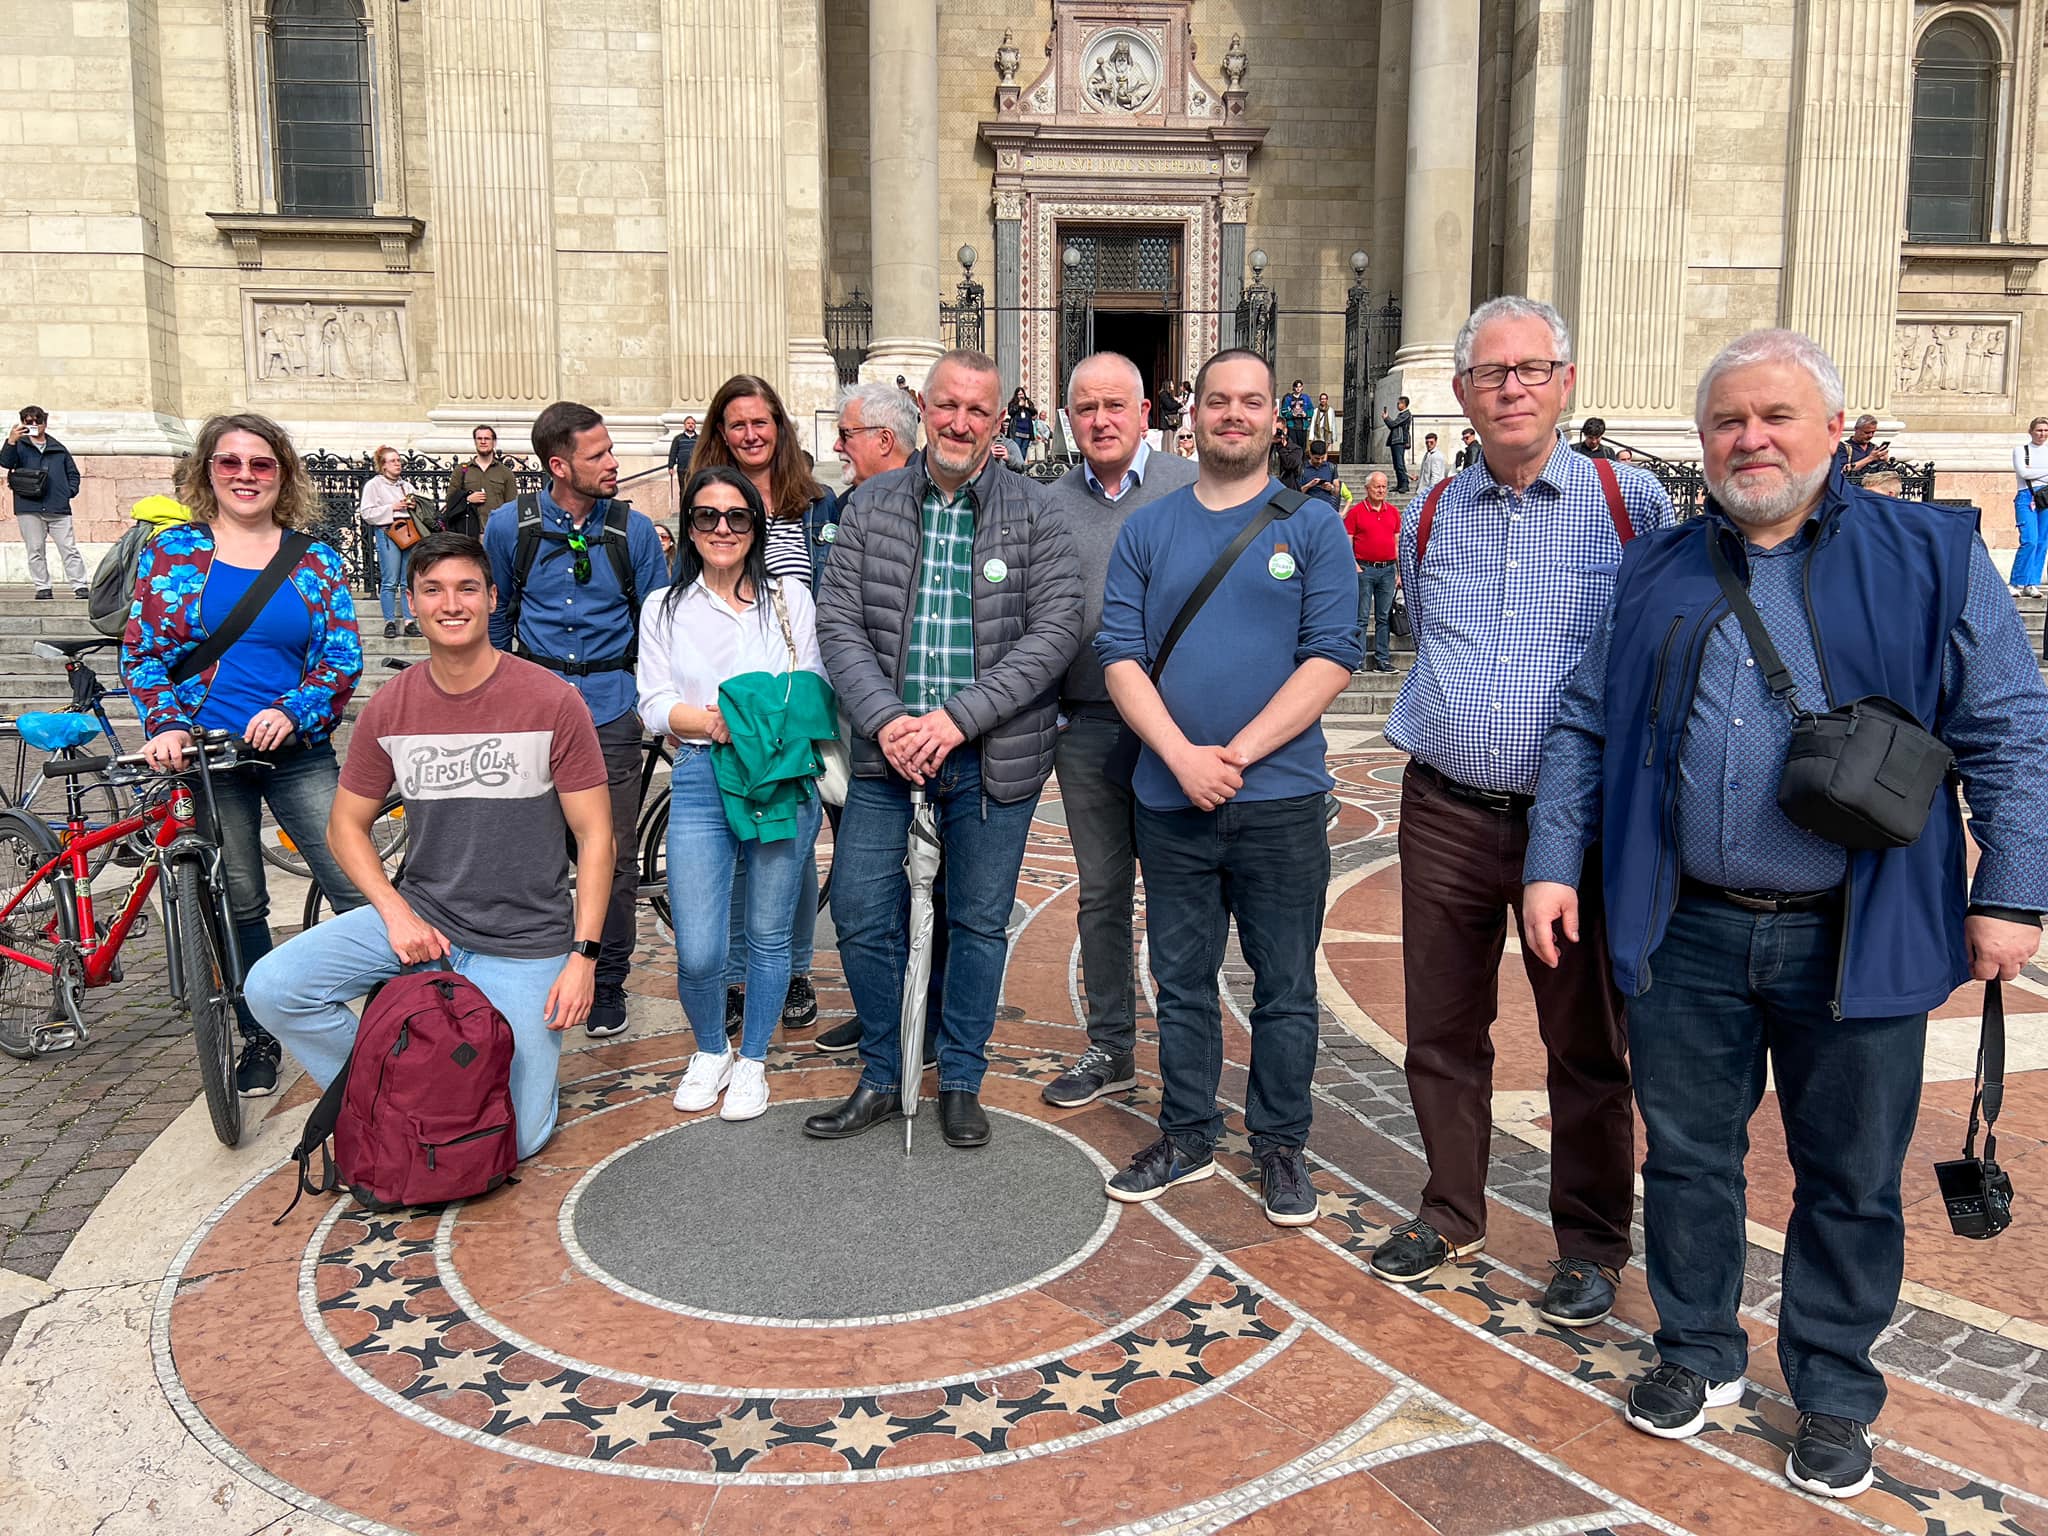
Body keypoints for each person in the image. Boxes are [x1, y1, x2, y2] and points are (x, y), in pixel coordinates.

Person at [1522, 329, 2048, 1501]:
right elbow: (1583, 719)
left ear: (1833, 432)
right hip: (1687, 926)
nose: (1748, 440)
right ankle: (1698, 1350)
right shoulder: (1654, 566)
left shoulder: (1929, 554)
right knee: (1686, 1158)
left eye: (1774, 417)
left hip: (1857, 929)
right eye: (1726, 421)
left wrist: (2011, 889)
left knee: (1848, 1176)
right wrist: (1552, 859)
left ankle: (1831, 1389)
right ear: (1700, 440)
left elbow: (2010, 724)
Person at [1373, 297, 1673, 1326]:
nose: (1511, 388)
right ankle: (1450, 1210)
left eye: (1531, 369)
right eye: (1490, 373)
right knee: (1440, 1028)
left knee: (1583, 1041)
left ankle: (1589, 1241)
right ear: (1461, 394)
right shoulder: (1427, 514)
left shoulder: (1630, 503)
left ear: (1565, 382)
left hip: (1574, 825)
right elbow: (1426, 632)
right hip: (1444, 809)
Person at [1095, 348, 1361, 1224]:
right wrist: (1181, 757)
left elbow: (1332, 656)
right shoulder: (1148, 530)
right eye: (1218, 401)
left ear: (1274, 420)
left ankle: (1280, 1145)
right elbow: (1120, 656)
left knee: (1284, 984)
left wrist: (1233, 755)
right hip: (1170, 797)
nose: (1234, 415)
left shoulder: (1314, 527)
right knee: (1181, 979)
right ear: (1193, 415)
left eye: (1251, 402)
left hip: (1281, 800)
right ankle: (1187, 1133)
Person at [245, 532, 614, 1159]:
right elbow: (344, 827)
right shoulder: (393, 705)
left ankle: (466, 1082)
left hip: (525, 940)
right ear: (412, 602)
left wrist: (583, 959)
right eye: (433, 590)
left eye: (467, 588)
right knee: (275, 987)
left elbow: (596, 835)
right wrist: (397, 915)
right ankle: (393, 1090)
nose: (451, 603)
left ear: (492, 598)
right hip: (425, 923)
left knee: (518, 1140)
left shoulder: (552, 700)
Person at [807, 349, 1081, 1148]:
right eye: (947, 406)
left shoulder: (1037, 512)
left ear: (1000, 422)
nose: (960, 423)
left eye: (978, 410)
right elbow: (838, 622)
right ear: (922, 409)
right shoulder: (871, 504)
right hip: (885, 755)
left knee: (979, 922)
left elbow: (1055, 632)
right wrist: (888, 720)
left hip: (991, 758)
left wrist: (957, 720)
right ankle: (884, 1070)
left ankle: (960, 1077)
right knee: (860, 912)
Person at [123, 412, 367, 1097]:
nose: (245, 476)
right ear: (208, 471)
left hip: (298, 752)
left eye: (261, 464)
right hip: (208, 757)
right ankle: (259, 1033)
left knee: (356, 885)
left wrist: (293, 710)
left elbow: (342, 657)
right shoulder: (175, 553)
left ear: (282, 474)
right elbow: (143, 653)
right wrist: (166, 724)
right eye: (229, 462)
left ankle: (397, 1015)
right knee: (240, 900)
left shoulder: (314, 558)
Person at [638, 468, 830, 1121]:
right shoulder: (664, 607)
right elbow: (654, 703)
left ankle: (753, 1060)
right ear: (690, 528)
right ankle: (710, 1049)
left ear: (756, 526)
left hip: (779, 776)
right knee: (699, 945)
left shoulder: (790, 598)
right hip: (701, 772)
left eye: (737, 516)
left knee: (769, 933)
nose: (722, 528)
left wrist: (746, 721)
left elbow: (812, 684)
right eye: (707, 516)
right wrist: (718, 722)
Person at [1038, 352, 1197, 1110]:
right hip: (1090, 727)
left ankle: (1189, 1054)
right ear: (1067, 418)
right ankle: (1111, 1046)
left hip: (1176, 730)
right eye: (1085, 408)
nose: (1100, 421)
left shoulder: (1191, 488)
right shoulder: (1047, 504)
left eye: (1114, 406)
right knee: (1102, 893)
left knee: (1179, 892)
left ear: (1145, 414)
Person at [485, 400, 669, 1041]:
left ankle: (608, 978)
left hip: (610, 709)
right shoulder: (510, 527)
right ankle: (539, 968)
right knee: (531, 853)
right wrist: (498, 699)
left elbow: (656, 623)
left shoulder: (633, 531)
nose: (614, 462)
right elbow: (498, 615)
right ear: (559, 466)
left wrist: (651, 700)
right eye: (599, 455)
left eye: (611, 448)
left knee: (610, 855)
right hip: (534, 713)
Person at [692, 376, 838, 1035]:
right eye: (737, 424)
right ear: (721, 434)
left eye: (761, 422)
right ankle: (734, 976)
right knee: (734, 840)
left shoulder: (817, 502)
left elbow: (831, 596)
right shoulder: (708, 498)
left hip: (792, 694)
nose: (751, 434)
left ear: (779, 426)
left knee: (790, 844)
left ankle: (795, 967)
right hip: (726, 699)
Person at [810, 380, 927, 1058]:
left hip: (921, 733)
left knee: (928, 887)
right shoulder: (842, 505)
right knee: (864, 894)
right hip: (857, 728)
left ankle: (923, 1021)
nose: (837, 446)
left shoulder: (934, 503)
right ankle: (884, 1007)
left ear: (884, 439)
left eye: (847, 434)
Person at [4, 407, 86, 599]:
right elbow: (6, 463)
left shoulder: (58, 448)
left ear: (45, 422)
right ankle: (43, 587)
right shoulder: (19, 445)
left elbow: (73, 474)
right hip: (28, 507)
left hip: (57, 506)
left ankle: (80, 586)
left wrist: (68, 492)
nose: (34, 425)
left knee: (69, 548)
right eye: (28, 421)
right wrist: (11, 441)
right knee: (35, 550)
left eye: (38, 421)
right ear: (23, 423)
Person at [358, 446, 423, 639]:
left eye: (398, 460)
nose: (397, 464)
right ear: (383, 465)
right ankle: (389, 621)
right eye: (393, 461)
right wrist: (392, 507)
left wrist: (413, 505)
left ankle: (409, 621)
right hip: (388, 532)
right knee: (389, 580)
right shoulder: (374, 485)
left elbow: (418, 508)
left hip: (408, 532)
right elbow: (366, 512)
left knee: (407, 579)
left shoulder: (406, 486)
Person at [1344, 471, 1399, 673]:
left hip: (1387, 570)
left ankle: (1382, 660)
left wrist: (1400, 572)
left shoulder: (1393, 512)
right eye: (1377, 486)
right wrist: (1353, 564)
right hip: (1364, 569)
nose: (1381, 490)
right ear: (1367, 488)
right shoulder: (1356, 512)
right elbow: (1347, 540)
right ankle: (1358, 660)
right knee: (1362, 617)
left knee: (1384, 617)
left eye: (1384, 486)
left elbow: (1397, 543)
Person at [443, 424, 518, 540]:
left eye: (487, 438)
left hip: (496, 533)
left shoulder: (505, 472)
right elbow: (450, 499)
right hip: (468, 533)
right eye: (479, 438)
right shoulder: (462, 470)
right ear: (475, 441)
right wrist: (467, 499)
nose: (483, 442)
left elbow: (512, 506)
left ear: (494, 442)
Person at [2010, 415, 2048, 597]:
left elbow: (2030, 472)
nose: (2042, 434)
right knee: (2029, 540)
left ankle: (2032, 583)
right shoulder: (2021, 450)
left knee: (2042, 542)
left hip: (2046, 498)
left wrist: (2035, 472)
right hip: (2026, 497)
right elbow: (2023, 473)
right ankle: (2015, 582)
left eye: (2046, 431)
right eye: (2039, 430)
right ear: (2031, 431)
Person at [1380, 395, 1413, 492]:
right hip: (1395, 441)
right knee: (1396, 465)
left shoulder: (1406, 414)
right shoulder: (1401, 415)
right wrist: (1387, 419)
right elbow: (1393, 426)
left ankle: (1404, 484)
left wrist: (1386, 418)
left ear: (1404, 404)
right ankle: (1400, 484)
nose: (1398, 405)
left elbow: (1393, 424)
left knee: (1399, 464)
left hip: (1400, 441)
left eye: (1399, 403)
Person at [667, 414, 701, 507]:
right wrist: (670, 466)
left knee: (695, 489)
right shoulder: (678, 438)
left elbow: (703, 453)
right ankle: (683, 510)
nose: (690, 425)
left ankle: (694, 509)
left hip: (695, 469)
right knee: (683, 490)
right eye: (688, 423)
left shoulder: (699, 439)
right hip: (682, 469)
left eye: (692, 423)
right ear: (684, 425)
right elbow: (673, 453)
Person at [1300, 439, 1341, 506]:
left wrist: (1331, 488)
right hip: (1308, 506)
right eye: (1317, 458)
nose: (1320, 461)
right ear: (1310, 454)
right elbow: (1297, 493)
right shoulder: (1302, 468)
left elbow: (1336, 493)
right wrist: (1309, 485)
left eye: (1322, 458)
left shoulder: (1331, 467)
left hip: (1326, 507)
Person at [1005, 386, 1039, 462]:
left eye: (1022, 394)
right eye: (1019, 394)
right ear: (1016, 395)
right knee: (1017, 451)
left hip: (1027, 432)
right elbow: (1010, 412)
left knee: (1023, 452)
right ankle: (1016, 466)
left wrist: (1027, 407)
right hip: (1017, 432)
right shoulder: (1013, 403)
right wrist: (1018, 406)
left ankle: (1021, 466)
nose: (1021, 396)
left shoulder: (1028, 402)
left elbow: (1034, 413)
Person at [1269, 420, 1305, 489]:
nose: (1274, 432)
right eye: (1272, 429)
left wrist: (1281, 446)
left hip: (1285, 487)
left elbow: (1288, 465)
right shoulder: (1265, 447)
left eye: (1277, 430)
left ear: (1285, 431)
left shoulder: (1295, 449)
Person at [1281, 379, 1313, 449]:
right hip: (1292, 426)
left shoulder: (1306, 398)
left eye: (1300, 386)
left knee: (1302, 447)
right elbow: (1283, 411)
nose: (1298, 388)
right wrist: (1291, 414)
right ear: (1294, 387)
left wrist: (1306, 414)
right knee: (1293, 447)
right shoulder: (1288, 398)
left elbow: (1311, 409)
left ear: (1302, 387)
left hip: (1303, 426)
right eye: (1296, 387)